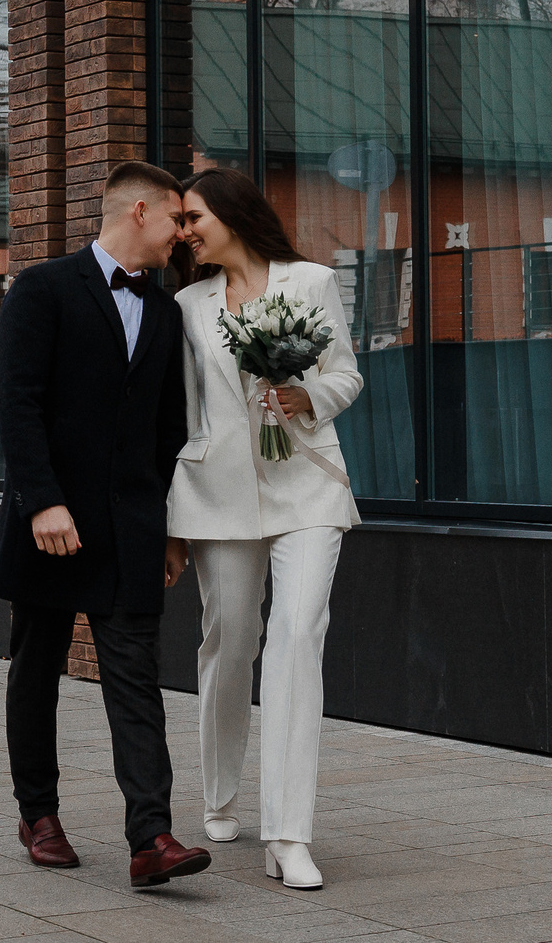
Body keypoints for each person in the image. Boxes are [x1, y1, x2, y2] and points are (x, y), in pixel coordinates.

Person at [0, 160, 212, 890]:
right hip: (51, 521)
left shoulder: (168, 312)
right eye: (178, 218)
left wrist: (173, 528)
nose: (184, 235)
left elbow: (169, 430)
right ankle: (38, 812)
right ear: (139, 211)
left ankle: (151, 836)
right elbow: (17, 405)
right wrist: (43, 500)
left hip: (132, 529)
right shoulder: (42, 288)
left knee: (136, 680)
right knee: (36, 668)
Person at [163, 166, 364, 891]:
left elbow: (345, 374)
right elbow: (185, 417)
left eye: (192, 217)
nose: (183, 231)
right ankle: (219, 792)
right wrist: (172, 521)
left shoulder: (310, 281)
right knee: (232, 636)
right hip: (217, 495)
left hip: (306, 483)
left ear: (233, 213)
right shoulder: (187, 303)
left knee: (297, 635)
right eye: (180, 221)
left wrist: (300, 392)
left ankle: (288, 833)